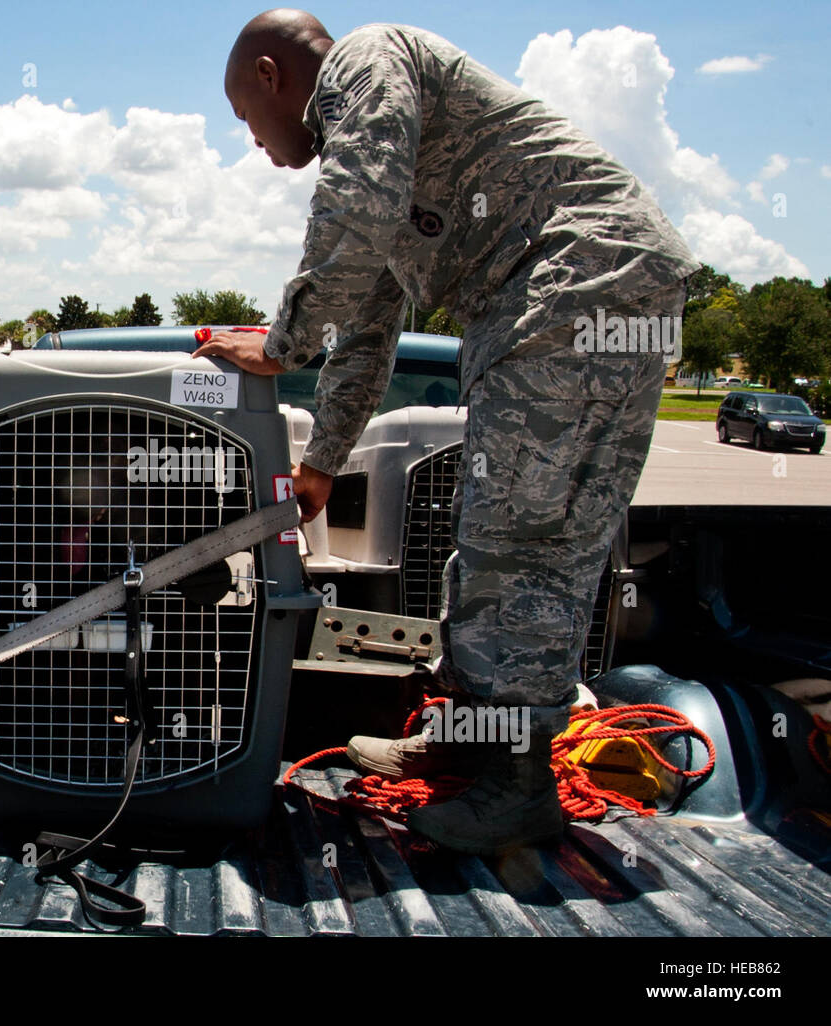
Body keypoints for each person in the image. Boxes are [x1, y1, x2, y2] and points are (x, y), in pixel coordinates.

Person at [196, 10, 700, 854]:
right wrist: (322, 460)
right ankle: (474, 742)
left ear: (273, 75)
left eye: (245, 116)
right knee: (488, 524)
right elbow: (365, 321)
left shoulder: (368, 62)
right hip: (562, 293)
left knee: (521, 537)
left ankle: (517, 788)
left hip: (584, 282)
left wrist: (279, 346)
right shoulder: (385, 139)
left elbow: (354, 210)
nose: (254, 142)